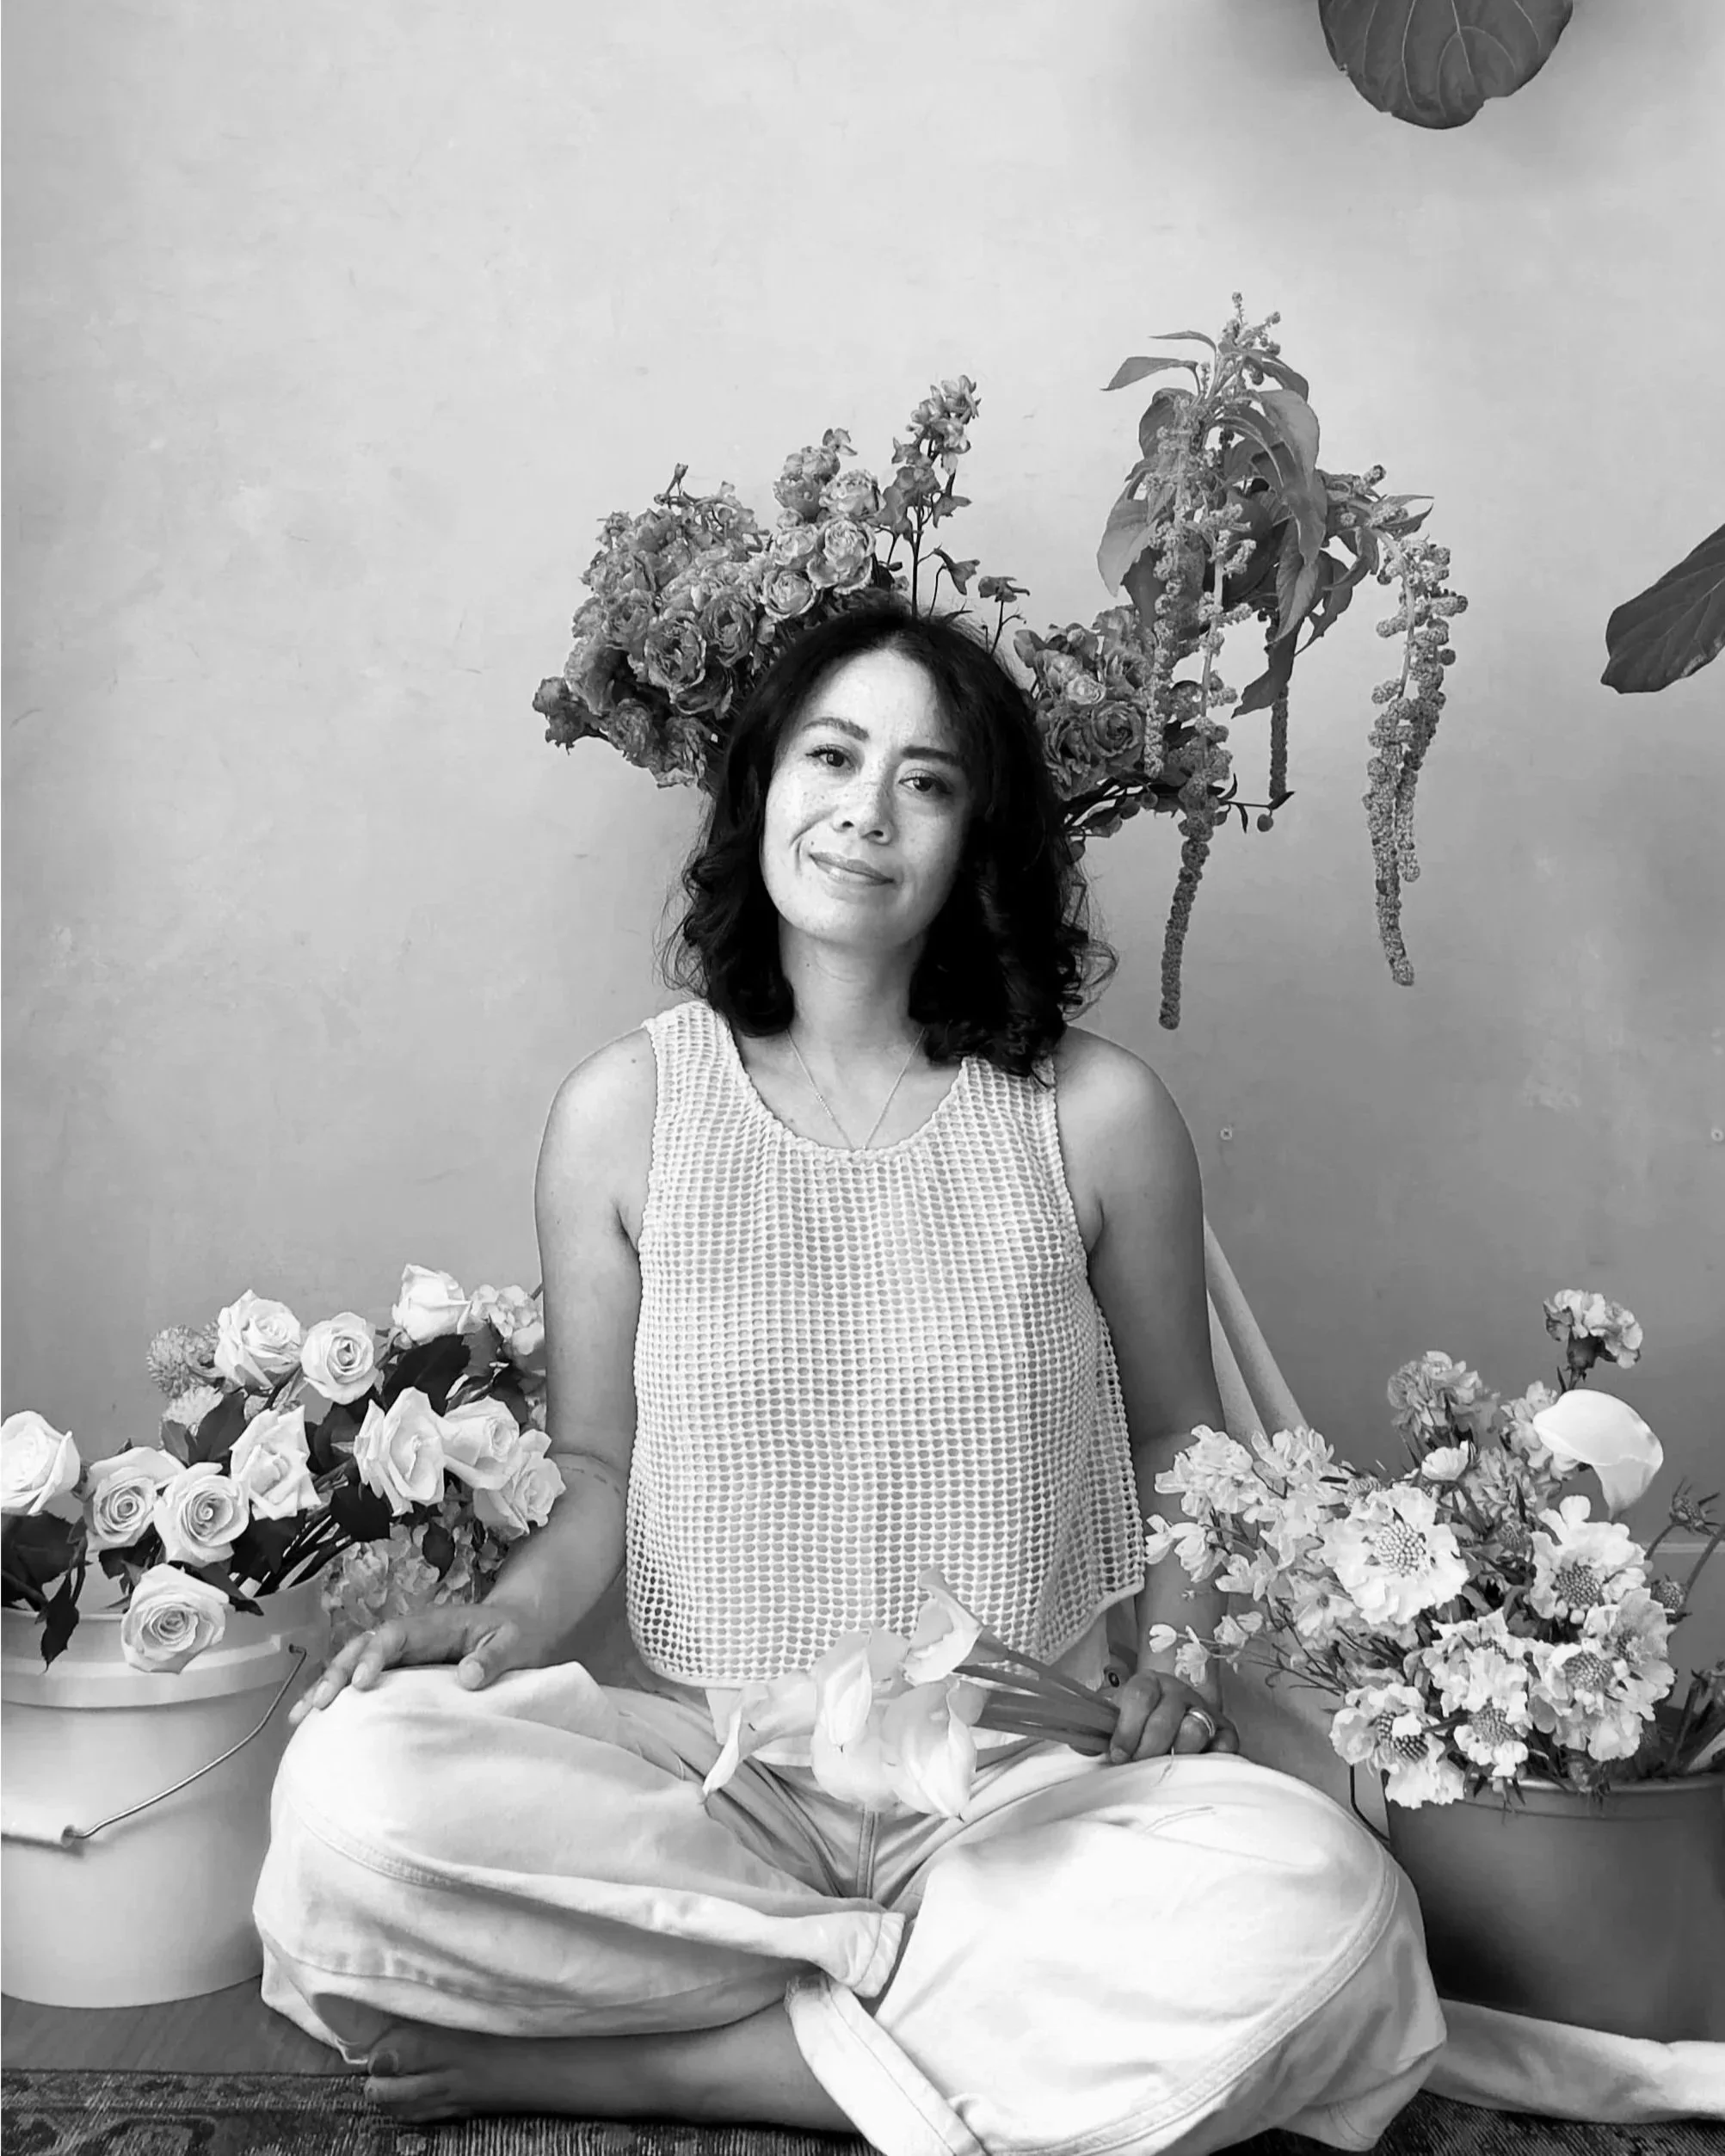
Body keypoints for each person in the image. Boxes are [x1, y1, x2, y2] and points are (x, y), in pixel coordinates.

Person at [255, 598, 1445, 2150]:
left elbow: (1178, 1440)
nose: (867, 809)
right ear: (763, 788)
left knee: (1323, 1915)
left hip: (1029, 1788)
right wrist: (484, 1626)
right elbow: (599, 1473)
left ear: (979, 837)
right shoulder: (627, 1113)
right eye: (832, 753)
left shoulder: (1092, 1114)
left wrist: (1179, 1660)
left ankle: (694, 2061)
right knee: (355, 1800)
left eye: (929, 780)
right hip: (716, 1782)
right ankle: (933, 2011)